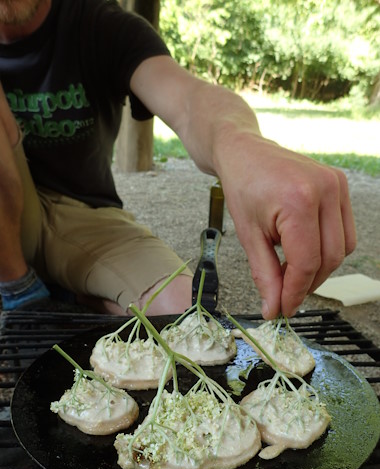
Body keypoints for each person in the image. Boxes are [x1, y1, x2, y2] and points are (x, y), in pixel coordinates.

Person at [0, 0, 356, 319]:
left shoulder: (100, 24)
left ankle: (70, 286)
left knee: (185, 316)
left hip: (83, 215)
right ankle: (17, 283)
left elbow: (186, 101)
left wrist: (238, 143)